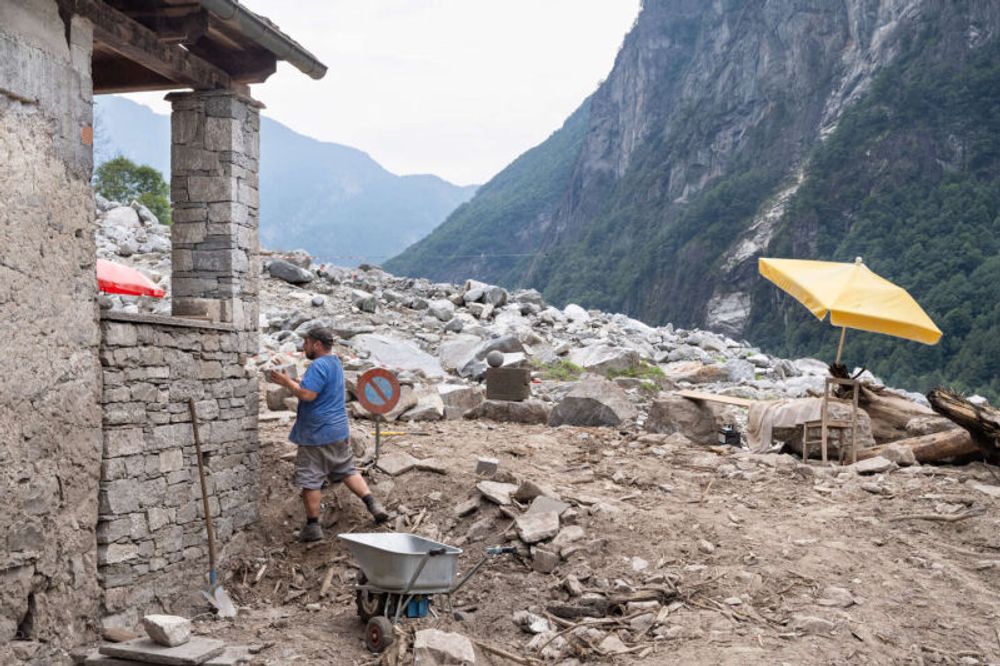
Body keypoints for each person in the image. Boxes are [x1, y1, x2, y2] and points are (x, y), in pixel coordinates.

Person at [268, 326, 388, 541]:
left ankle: (313, 527)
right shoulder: (335, 363)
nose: (303, 347)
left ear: (316, 344)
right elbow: (310, 387)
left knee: (310, 477)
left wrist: (286, 382)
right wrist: (289, 376)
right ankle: (372, 503)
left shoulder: (318, 365)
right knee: (345, 468)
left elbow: (307, 394)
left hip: (316, 432)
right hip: (338, 429)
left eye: (306, 343)